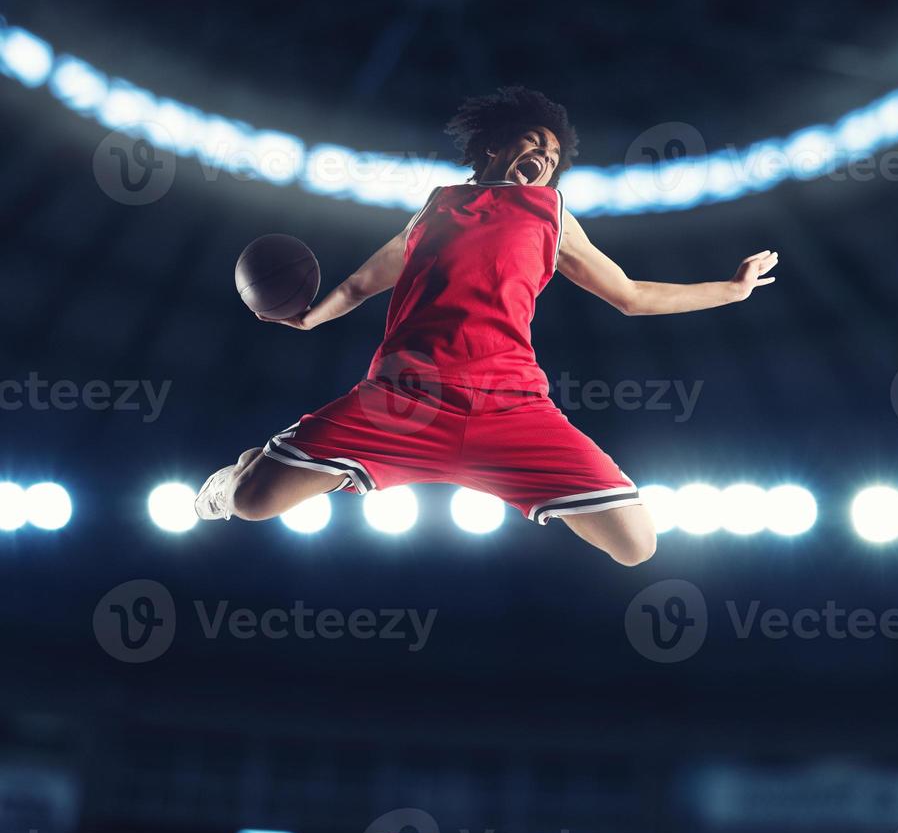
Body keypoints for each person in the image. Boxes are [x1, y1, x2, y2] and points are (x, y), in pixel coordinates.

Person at [194, 86, 778, 566]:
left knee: (637, 546)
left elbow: (630, 296)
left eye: (554, 156)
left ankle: (327, 470)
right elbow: (359, 285)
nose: (546, 157)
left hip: (511, 409)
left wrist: (733, 289)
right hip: (402, 402)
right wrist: (307, 317)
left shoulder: (551, 214)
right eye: (536, 142)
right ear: (496, 146)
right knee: (250, 501)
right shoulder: (436, 208)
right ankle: (245, 469)